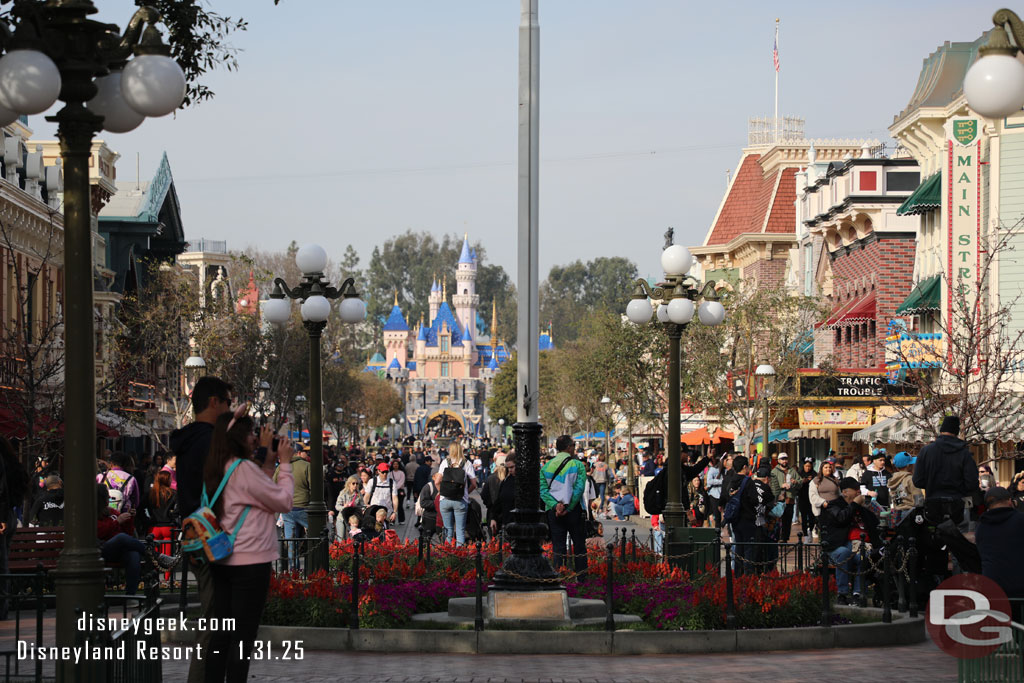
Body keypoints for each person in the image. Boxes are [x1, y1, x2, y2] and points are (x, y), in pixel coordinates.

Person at [203, 410, 294, 683]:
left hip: (222, 559)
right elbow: (282, 501)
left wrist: (266, 461)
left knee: (222, 633)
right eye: (252, 434)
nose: (256, 438)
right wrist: (285, 464)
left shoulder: (219, 465)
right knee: (242, 636)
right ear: (239, 438)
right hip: (249, 562)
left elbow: (257, 493)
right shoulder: (242, 469)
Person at [168, 375, 233, 683]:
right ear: (213, 402)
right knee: (215, 625)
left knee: (216, 623)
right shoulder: (209, 441)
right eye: (228, 403)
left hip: (197, 535)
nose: (230, 409)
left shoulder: (190, 440)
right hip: (212, 539)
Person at [97, 484, 175, 595]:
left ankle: (130, 595)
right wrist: (117, 522)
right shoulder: (92, 514)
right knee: (120, 538)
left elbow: (127, 534)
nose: (108, 499)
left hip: (118, 551)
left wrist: (129, 519)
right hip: (101, 550)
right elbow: (99, 531)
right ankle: (156, 556)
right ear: (101, 498)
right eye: (106, 497)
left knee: (133, 555)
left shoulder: (111, 512)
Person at [818, 477, 878, 605]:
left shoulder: (860, 507)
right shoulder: (833, 505)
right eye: (855, 490)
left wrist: (868, 507)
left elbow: (874, 525)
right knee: (844, 552)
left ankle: (858, 594)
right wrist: (854, 504)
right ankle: (842, 594)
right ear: (844, 492)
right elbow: (841, 518)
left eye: (859, 490)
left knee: (864, 556)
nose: (858, 492)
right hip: (836, 547)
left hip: (857, 545)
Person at [912, 415, 980, 526]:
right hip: (957, 507)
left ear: (941, 430)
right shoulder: (964, 453)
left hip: (932, 507)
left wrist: (932, 484)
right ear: (956, 432)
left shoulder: (926, 451)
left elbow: (917, 481)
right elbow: (972, 483)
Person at [540, 435, 588, 578]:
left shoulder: (547, 466)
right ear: (569, 447)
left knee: (558, 547)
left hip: (554, 512)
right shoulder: (578, 465)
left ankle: (559, 577)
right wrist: (568, 508)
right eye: (573, 445)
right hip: (573, 512)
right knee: (579, 546)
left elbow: (542, 490)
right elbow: (579, 490)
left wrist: (555, 506)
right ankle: (582, 579)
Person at [975, 486, 1024, 601]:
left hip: (992, 590)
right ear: (1009, 501)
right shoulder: (1021, 520)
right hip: (1020, 590)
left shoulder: (981, 527)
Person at [275, 445, 311, 570]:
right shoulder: (306, 466)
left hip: (287, 509)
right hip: (303, 507)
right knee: (316, 537)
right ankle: (314, 568)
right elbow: (314, 488)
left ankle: (293, 570)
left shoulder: (281, 468)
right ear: (299, 453)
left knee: (291, 543)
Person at [438, 442, 477, 546]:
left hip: (445, 500)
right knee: (460, 530)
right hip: (460, 500)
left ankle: (447, 555)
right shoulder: (467, 463)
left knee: (448, 530)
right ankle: (459, 556)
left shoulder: (445, 462)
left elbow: (437, 481)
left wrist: (440, 492)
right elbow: (474, 484)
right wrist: (466, 493)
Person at [141, 470, 178, 558]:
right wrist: (172, 516)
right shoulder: (173, 493)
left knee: (154, 557)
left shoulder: (150, 493)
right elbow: (179, 509)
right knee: (168, 558)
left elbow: (140, 508)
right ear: (167, 480)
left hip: (153, 527)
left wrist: (146, 519)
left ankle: (155, 571)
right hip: (168, 527)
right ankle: (167, 572)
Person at [769, 453, 799, 542]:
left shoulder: (792, 471)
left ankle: (785, 538)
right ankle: (777, 537)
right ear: (778, 460)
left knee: (788, 520)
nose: (784, 461)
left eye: (785, 459)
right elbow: (771, 484)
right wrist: (781, 485)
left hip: (789, 499)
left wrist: (795, 482)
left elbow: (800, 481)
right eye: (782, 459)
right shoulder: (774, 471)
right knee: (777, 520)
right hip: (778, 500)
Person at [487, 457, 517, 537]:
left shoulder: (523, 480)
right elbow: (499, 500)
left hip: (519, 522)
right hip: (506, 521)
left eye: (512, 467)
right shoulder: (506, 481)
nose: (510, 470)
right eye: (508, 468)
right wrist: (493, 518)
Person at [888, 452, 924, 516]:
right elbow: (918, 498)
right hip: (910, 513)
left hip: (897, 512)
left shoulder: (892, 479)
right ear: (908, 466)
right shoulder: (910, 479)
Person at [418, 471, 442, 540]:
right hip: (429, 518)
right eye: (439, 475)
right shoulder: (428, 487)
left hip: (441, 519)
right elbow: (423, 503)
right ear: (433, 477)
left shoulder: (445, 487)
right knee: (426, 541)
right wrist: (436, 503)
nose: (441, 477)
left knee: (444, 543)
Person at [797, 458, 816, 539]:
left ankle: (811, 530)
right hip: (802, 498)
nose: (808, 468)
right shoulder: (799, 474)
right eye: (806, 466)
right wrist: (803, 481)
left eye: (809, 466)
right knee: (804, 518)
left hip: (812, 499)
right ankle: (805, 535)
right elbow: (796, 485)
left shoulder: (814, 474)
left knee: (812, 517)